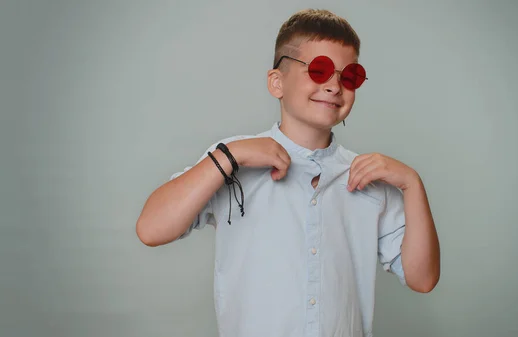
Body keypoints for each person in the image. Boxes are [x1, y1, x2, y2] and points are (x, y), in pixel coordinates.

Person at [136, 8, 440, 337]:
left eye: (349, 75)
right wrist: (230, 156)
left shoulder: (370, 177)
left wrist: (412, 184)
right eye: (320, 69)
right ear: (277, 82)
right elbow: (151, 229)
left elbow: (422, 279)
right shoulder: (231, 160)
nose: (335, 85)